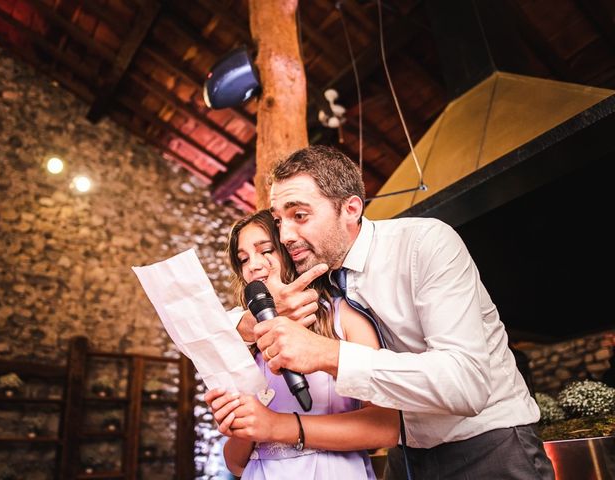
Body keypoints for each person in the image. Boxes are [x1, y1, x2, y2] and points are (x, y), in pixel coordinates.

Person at [252, 145, 555, 479]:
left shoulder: (425, 244)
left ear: (351, 209)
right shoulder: (317, 274)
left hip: (490, 446)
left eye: (300, 216)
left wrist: (328, 354)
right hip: (406, 454)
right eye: (279, 220)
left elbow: (465, 382)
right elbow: (223, 320)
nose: (284, 235)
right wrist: (255, 317)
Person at [206, 209, 399, 479]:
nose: (253, 265)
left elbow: (385, 429)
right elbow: (236, 463)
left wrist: (276, 426)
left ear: (290, 250)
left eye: (266, 250)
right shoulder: (244, 342)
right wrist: (239, 425)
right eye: (243, 259)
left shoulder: (345, 318)